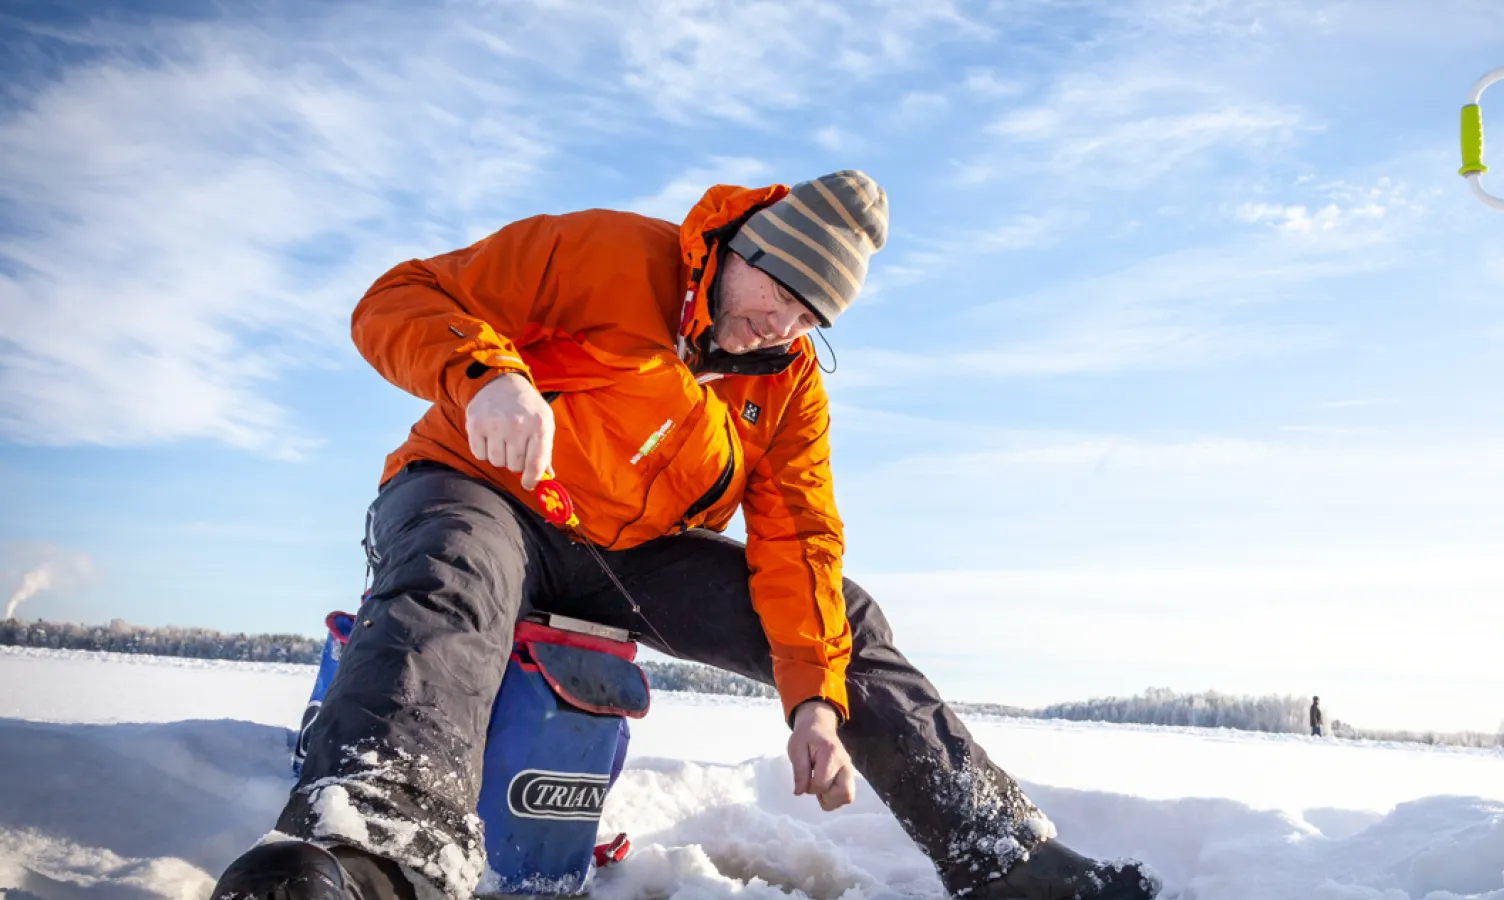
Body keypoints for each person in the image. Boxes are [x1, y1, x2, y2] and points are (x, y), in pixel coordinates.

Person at [209, 172, 1160, 900]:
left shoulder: (785, 384)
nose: (780, 322)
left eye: (809, 314)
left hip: (622, 555)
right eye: (778, 288)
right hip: (478, 487)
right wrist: (487, 375)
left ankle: (1007, 860)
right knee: (454, 576)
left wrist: (814, 701)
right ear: (740, 246)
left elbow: (799, 538)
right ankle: (369, 850)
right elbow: (398, 298)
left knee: (846, 620)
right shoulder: (605, 253)